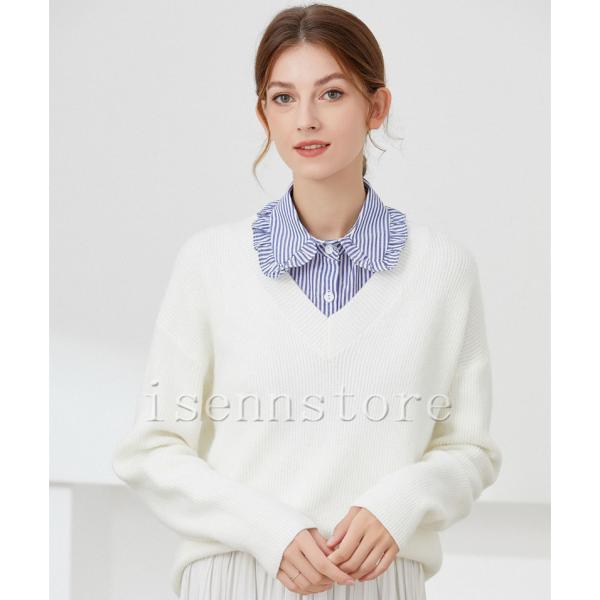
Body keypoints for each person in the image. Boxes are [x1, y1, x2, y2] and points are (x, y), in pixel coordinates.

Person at [112, 4, 502, 599]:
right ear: (264, 114)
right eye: (284, 98)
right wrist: (267, 529)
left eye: (332, 94)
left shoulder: (441, 269)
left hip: (378, 581)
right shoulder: (210, 263)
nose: (306, 120)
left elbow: (468, 447)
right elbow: (153, 449)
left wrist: (398, 504)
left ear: (376, 107)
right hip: (234, 578)